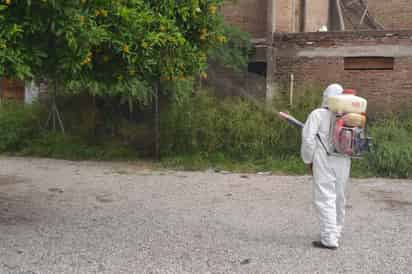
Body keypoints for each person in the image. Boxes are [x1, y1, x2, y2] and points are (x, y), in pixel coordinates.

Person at [301, 84, 351, 250]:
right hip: (344, 159)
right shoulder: (350, 116)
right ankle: (336, 231)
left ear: (326, 96)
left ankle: (329, 239)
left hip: (324, 158)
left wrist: (308, 159)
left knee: (325, 196)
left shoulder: (317, 114)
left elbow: (308, 140)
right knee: (339, 195)